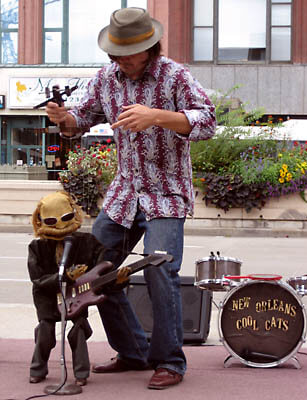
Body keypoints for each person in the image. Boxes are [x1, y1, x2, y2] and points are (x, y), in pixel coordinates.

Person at [45, 7, 216, 390]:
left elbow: (207, 120)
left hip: (167, 194)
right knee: (93, 272)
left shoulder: (175, 76)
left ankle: (170, 360)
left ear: (149, 48)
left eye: (129, 51)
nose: (120, 59)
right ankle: (134, 351)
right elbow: (80, 119)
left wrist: (157, 116)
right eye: (116, 51)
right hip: (124, 193)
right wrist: (63, 119)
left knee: (160, 271)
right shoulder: (106, 78)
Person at [27, 191, 123, 387]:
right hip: (47, 297)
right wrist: (63, 277)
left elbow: (102, 271)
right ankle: (37, 369)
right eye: (53, 221)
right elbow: (37, 280)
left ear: (74, 213)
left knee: (78, 329)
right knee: (45, 330)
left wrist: (119, 280)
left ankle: (81, 374)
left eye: (67, 218)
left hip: (77, 297)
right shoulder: (37, 247)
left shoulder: (88, 242)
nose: (61, 227)